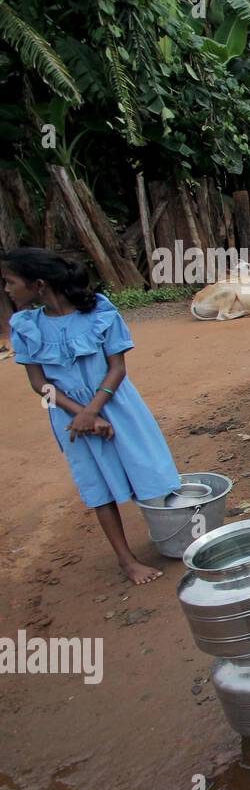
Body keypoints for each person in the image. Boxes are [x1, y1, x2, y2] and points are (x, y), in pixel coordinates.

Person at [3, 248, 182, 585]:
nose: (7, 289)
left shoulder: (100, 311)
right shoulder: (25, 326)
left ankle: (177, 535)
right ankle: (127, 560)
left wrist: (93, 410)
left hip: (117, 406)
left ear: (38, 284)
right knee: (98, 486)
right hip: (71, 420)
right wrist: (80, 414)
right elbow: (39, 384)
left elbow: (117, 368)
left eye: (10, 282)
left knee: (151, 472)